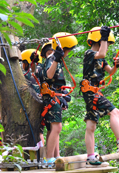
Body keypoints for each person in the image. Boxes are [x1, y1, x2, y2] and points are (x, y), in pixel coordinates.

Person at [80, 26, 119, 167]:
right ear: (98, 40)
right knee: (115, 111)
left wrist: (116, 65)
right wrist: (104, 37)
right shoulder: (89, 53)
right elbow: (101, 53)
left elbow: (110, 72)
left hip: (93, 92)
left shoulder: (102, 59)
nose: (107, 46)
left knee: (91, 125)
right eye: (106, 43)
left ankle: (90, 157)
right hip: (90, 92)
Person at [40, 32, 77, 166]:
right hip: (51, 98)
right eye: (68, 50)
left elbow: (57, 81)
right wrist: (56, 58)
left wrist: (64, 94)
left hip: (55, 97)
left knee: (53, 129)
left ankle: (51, 157)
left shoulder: (57, 60)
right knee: (57, 127)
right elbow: (49, 75)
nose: (67, 53)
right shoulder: (52, 59)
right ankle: (49, 159)